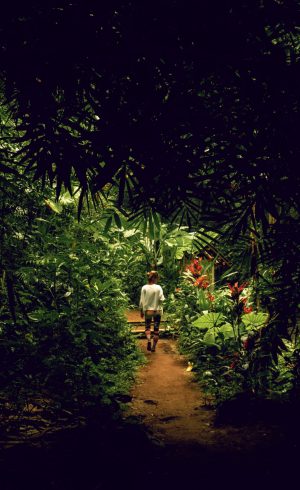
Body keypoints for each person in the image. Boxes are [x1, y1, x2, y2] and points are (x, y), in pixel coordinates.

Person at [139, 270, 165, 352]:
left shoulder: (144, 288)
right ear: (154, 278)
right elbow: (162, 299)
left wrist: (141, 311)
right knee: (156, 330)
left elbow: (141, 302)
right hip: (157, 311)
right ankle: (153, 347)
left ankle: (149, 340)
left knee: (147, 328)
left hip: (148, 311)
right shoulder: (158, 287)